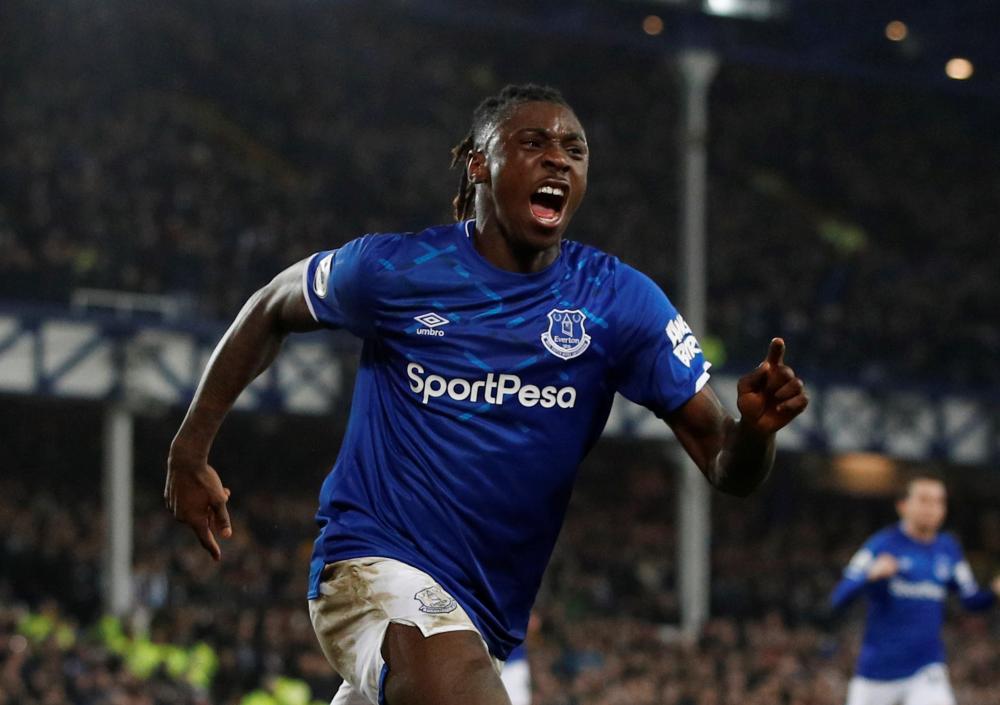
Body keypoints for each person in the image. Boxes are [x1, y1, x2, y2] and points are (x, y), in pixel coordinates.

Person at [165, 83, 808, 705]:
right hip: (373, 565)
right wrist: (190, 450)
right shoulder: (397, 272)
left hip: (484, 617)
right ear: (480, 163)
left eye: (574, 149)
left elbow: (728, 466)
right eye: (534, 142)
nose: (558, 156)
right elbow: (270, 306)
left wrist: (755, 431)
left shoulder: (619, 303)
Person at [831, 474, 1000, 705]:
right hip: (876, 672)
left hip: (926, 669)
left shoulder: (948, 549)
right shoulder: (881, 545)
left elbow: (971, 600)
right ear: (903, 505)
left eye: (939, 501)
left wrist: (993, 591)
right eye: (924, 500)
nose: (932, 508)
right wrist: (869, 576)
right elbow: (839, 597)